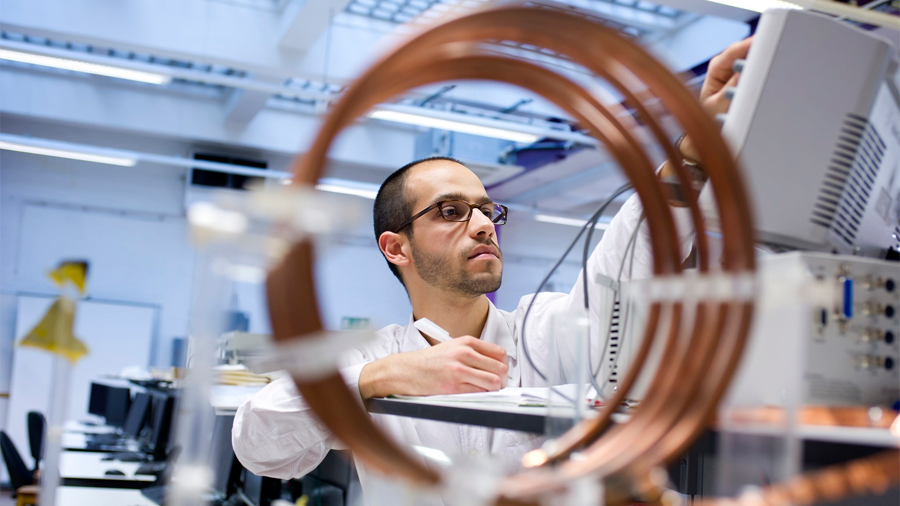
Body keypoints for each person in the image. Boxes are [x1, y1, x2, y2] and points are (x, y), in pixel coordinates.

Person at [232, 37, 752, 503]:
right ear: (396, 248)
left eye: (486, 210)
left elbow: (626, 269)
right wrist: (386, 376)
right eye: (451, 211)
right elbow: (258, 446)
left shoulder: (540, 333)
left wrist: (692, 152)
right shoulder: (372, 357)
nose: (482, 224)